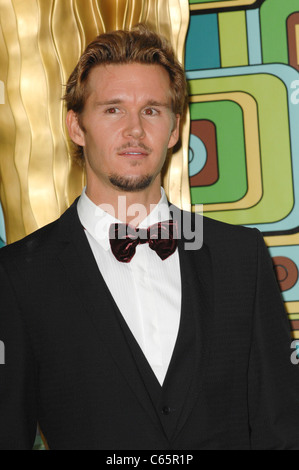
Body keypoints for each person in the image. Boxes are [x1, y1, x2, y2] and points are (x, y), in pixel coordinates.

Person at [0, 24, 298, 451]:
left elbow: (282, 428)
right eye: (113, 110)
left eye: (152, 110)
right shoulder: (17, 277)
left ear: (175, 129)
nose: (135, 130)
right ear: (76, 127)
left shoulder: (241, 257)